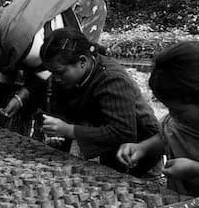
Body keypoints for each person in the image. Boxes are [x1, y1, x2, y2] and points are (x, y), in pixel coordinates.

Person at [38, 28, 160, 176]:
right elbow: (62, 111)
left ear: (82, 61)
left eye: (60, 72)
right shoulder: (66, 78)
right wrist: (57, 134)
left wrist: (68, 130)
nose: (56, 78)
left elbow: (123, 132)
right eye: (53, 73)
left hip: (139, 148)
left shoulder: (112, 79)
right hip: (106, 144)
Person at [117, 42, 199, 194]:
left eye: (177, 111)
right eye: (169, 109)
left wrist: (195, 169)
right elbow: (168, 136)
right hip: (181, 203)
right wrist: (142, 148)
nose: (172, 116)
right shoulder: (182, 121)